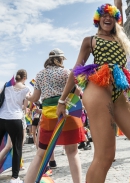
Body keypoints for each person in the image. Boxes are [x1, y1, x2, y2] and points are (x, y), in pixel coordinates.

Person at [56, 0, 130, 183]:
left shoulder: (119, 36)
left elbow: (118, 5)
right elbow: (75, 71)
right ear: (97, 19)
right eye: (103, 15)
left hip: (120, 94)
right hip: (97, 90)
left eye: (111, 16)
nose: (108, 18)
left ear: (115, 20)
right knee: (104, 156)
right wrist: (62, 100)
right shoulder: (89, 40)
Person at [24, 48, 86, 183]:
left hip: (48, 117)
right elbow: (78, 91)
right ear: (60, 59)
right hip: (67, 115)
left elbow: (35, 98)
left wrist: (28, 97)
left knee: (40, 154)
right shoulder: (66, 73)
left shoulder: (40, 75)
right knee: (72, 152)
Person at [0, 69, 30, 183]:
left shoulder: (6, 86)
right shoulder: (26, 89)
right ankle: (15, 178)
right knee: (17, 148)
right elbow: (25, 106)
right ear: (24, 78)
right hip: (15, 119)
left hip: (2, 118)